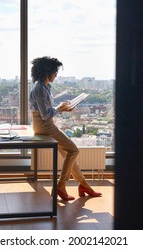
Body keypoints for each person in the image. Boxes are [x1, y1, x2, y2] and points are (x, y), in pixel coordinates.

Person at [29, 56, 102, 201]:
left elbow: (47, 111)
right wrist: (61, 109)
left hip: (45, 124)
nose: (56, 75)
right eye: (55, 72)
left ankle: (84, 185)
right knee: (74, 150)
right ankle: (60, 186)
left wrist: (59, 108)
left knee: (70, 155)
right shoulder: (39, 89)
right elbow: (45, 115)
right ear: (47, 72)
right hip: (45, 125)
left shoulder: (44, 87)